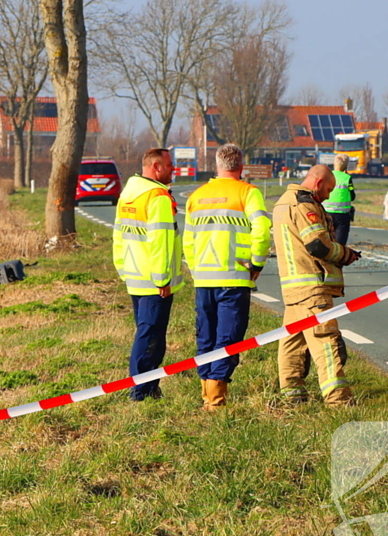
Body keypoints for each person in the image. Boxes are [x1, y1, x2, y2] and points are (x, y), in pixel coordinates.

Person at [183, 144, 271, 410]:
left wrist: (196, 269)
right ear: (241, 166)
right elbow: (262, 232)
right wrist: (257, 263)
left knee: (206, 337)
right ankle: (216, 398)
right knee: (228, 339)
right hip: (234, 277)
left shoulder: (197, 196)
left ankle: (206, 394)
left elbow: (188, 241)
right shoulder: (248, 193)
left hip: (203, 278)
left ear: (217, 166)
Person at [272, 165, 361, 406]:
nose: (329, 196)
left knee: (293, 342)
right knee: (326, 343)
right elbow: (317, 245)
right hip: (312, 286)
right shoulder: (304, 203)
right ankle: (339, 401)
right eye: (329, 190)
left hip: (293, 287)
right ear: (318, 182)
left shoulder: (283, 202)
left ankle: (293, 397)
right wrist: (345, 254)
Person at [113, 148, 184, 401]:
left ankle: (150, 387)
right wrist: (162, 278)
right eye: (169, 165)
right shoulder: (158, 197)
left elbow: (119, 235)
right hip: (155, 280)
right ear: (156, 167)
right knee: (150, 335)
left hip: (135, 274)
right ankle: (140, 391)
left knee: (148, 332)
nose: (173, 169)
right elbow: (160, 241)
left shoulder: (128, 194)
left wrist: (122, 268)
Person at [326, 154, 355, 245]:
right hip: (342, 215)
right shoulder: (347, 178)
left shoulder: (328, 176)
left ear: (334, 164)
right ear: (346, 166)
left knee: (326, 241)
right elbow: (352, 196)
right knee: (340, 244)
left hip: (326, 213)